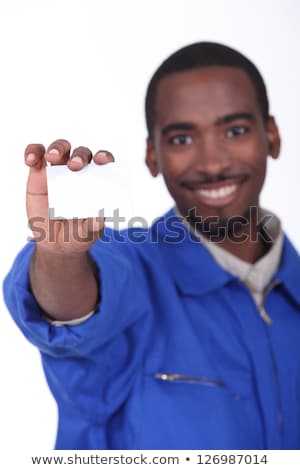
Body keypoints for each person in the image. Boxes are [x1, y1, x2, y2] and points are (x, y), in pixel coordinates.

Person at [3, 42, 300, 450]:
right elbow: (76, 306)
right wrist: (61, 256)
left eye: (235, 131)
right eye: (181, 138)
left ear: (272, 136)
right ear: (152, 155)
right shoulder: (131, 270)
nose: (212, 163)